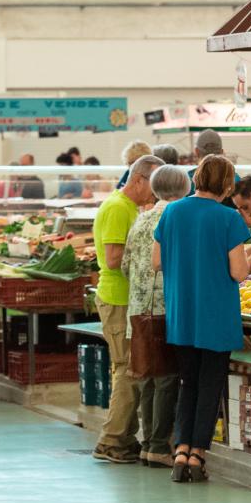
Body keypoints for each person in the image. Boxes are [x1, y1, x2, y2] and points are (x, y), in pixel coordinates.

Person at [154, 154, 249, 483]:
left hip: (182, 312)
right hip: (217, 314)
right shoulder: (228, 218)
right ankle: (197, 455)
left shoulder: (172, 211)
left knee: (188, 382)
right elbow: (239, 271)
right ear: (226, 183)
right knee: (211, 385)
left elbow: (156, 261)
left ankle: (180, 449)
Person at [93, 155, 161, 464]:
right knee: (127, 370)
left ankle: (124, 436)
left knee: (128, 368)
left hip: (123, 298)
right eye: (154, 183)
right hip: (119, 298)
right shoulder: (119, 208)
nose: (156, 191)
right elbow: (113, 258)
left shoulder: (128, 207)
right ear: (139, 180)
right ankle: (112, 441)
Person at [127, 163, 188, 468]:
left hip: (137, 307)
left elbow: (125, 264)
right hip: (167, 306)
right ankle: (159, 445)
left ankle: (148, 443)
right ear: (185, 188)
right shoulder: (175, 217)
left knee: (148, 376)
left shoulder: (140, 220)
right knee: (166, 377)